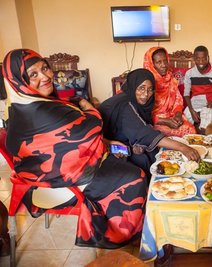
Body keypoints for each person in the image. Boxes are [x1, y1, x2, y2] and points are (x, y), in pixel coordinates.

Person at [2, 49, 147, 249]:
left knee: (116, 157)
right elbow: (94, 124)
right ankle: (119, 233)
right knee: (136, 175)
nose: (45, 77)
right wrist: (88, 105)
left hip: (38, 177)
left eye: (44, 68)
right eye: (33, 74)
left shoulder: (19, 107)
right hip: (58, 184)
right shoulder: (41, 111)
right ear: (19, 80)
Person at [99, 68, 200, 180]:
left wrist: (137, 144)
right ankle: (148, 190)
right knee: (144, 158)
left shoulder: (133, 100)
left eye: (150, 89)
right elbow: (143, 132)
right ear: (133, 86)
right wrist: (183, 147)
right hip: (102, 146)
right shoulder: (125, 104)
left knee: (150, 152)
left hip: (119, 140)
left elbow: (136, 126)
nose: (146, 94)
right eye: (141, 88)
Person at [143, 47, 196, 137]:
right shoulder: (145, 83)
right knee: (182, 133)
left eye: (165, 61)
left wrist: (178, 115)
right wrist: (165, 121)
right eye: (159, 62)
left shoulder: (171, 78)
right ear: (151, 64)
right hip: (154, 120)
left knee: (191, 131)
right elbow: (142, 112)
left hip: (172, 116)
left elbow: (178, 100)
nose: (164, 65)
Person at [183, 45, 212, 133]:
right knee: (184, 123)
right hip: (194, 104)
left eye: (204, 59)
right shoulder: (189, 73)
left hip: (208, 104)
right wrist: (191, 110)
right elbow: (186, 94)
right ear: (194, 59)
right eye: (198, 59)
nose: (201, 62)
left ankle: (202, 141)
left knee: (205, 126)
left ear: (208, 58)